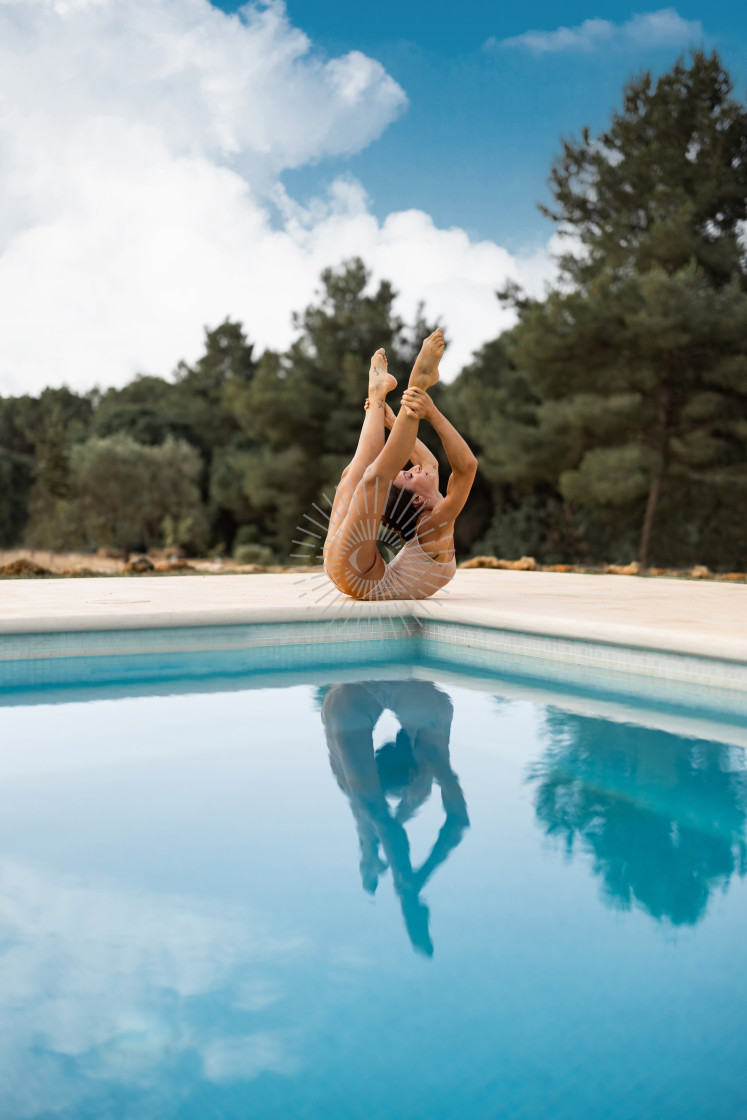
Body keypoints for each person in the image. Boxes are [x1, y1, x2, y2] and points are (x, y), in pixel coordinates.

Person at [323, 330, 478, 601]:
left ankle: (396, 389)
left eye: (407, 472)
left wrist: (417, 414)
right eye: (409, 472)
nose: (416, 467)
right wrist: (421, 412)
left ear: (417, 500)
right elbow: (463, 467)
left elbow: (455, 467)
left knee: (366, 479)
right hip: (357, 571)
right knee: (357, 477)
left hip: (356, 572)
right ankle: (389, 389)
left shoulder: (430, 522)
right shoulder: (433, 523)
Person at [321, 679, 469, 956]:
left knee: (362, 797)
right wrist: (411, 883)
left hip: (360, 692)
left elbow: (459, 822)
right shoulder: (432, 746)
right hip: (408, 698)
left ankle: (369, 849)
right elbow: (459, 821)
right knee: (368, 801)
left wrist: (413, 884)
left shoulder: (345, 705)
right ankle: (369, 848)